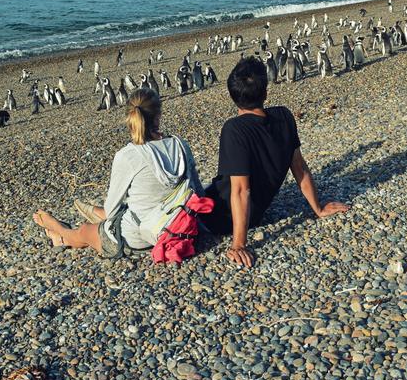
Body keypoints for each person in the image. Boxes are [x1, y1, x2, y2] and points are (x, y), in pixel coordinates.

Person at [202, 57, 349, 267]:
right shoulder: (284, 116)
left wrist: (239, 244)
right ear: (265, 92)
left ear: (233, 95)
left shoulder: (234, 129)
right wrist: (318, 208)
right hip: (255, 214)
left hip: (218, 215)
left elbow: (241, 190)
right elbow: (300, 168)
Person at [34, 89, 201, 257]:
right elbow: (197, 191)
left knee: (85, 231)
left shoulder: (128, 155)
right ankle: (96, 215)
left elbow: (112, 211)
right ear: (158, 116)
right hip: (182, 226)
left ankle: (58, 232)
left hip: (139, 238)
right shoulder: (180, 146)